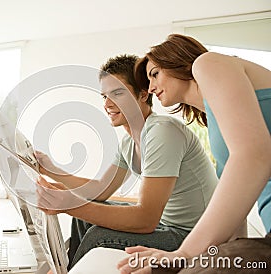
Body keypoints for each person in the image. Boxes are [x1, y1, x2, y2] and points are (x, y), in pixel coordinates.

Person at [35, 54, 218, 270]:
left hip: (193, 236)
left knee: (98, 235)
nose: (108, 104)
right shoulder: (128, 142)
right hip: (166, 224)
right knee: (82, 219)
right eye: (104, 96)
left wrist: (69, 204)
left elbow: (145, 219)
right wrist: (51, 170)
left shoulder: (163, 131)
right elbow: (99, 190)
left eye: (118, 93)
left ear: (143, 94)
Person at [117, 34, 271, 274]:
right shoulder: (217, 123)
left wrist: (185, 253)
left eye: (155, 73)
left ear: (177, 59)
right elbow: (239, 200)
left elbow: (254, 157)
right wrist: (220, 254)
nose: (150, 87)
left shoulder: (208, 63)